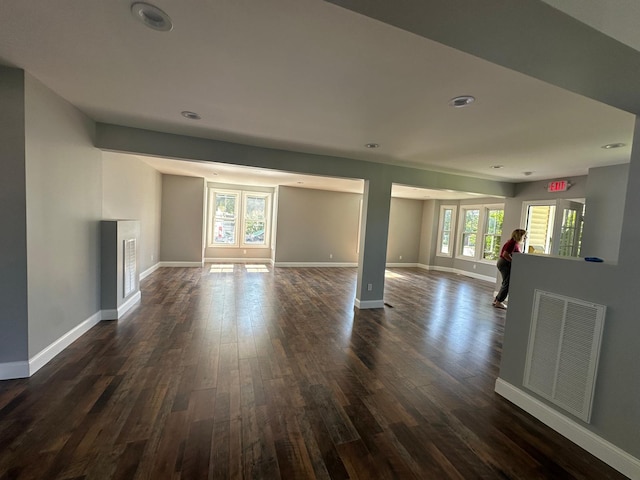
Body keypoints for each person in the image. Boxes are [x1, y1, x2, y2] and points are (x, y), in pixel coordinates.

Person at [493, 229, 527, 309]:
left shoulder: (514, 243)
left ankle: (497, 300)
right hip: (504, 263)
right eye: (524, 236)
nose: (526, 237)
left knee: (506, 282)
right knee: (507, 283)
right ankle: (499, 302)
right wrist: (514, 262)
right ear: (519, 236)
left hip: (504, 263)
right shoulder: (512, 243)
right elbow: (505, 254)